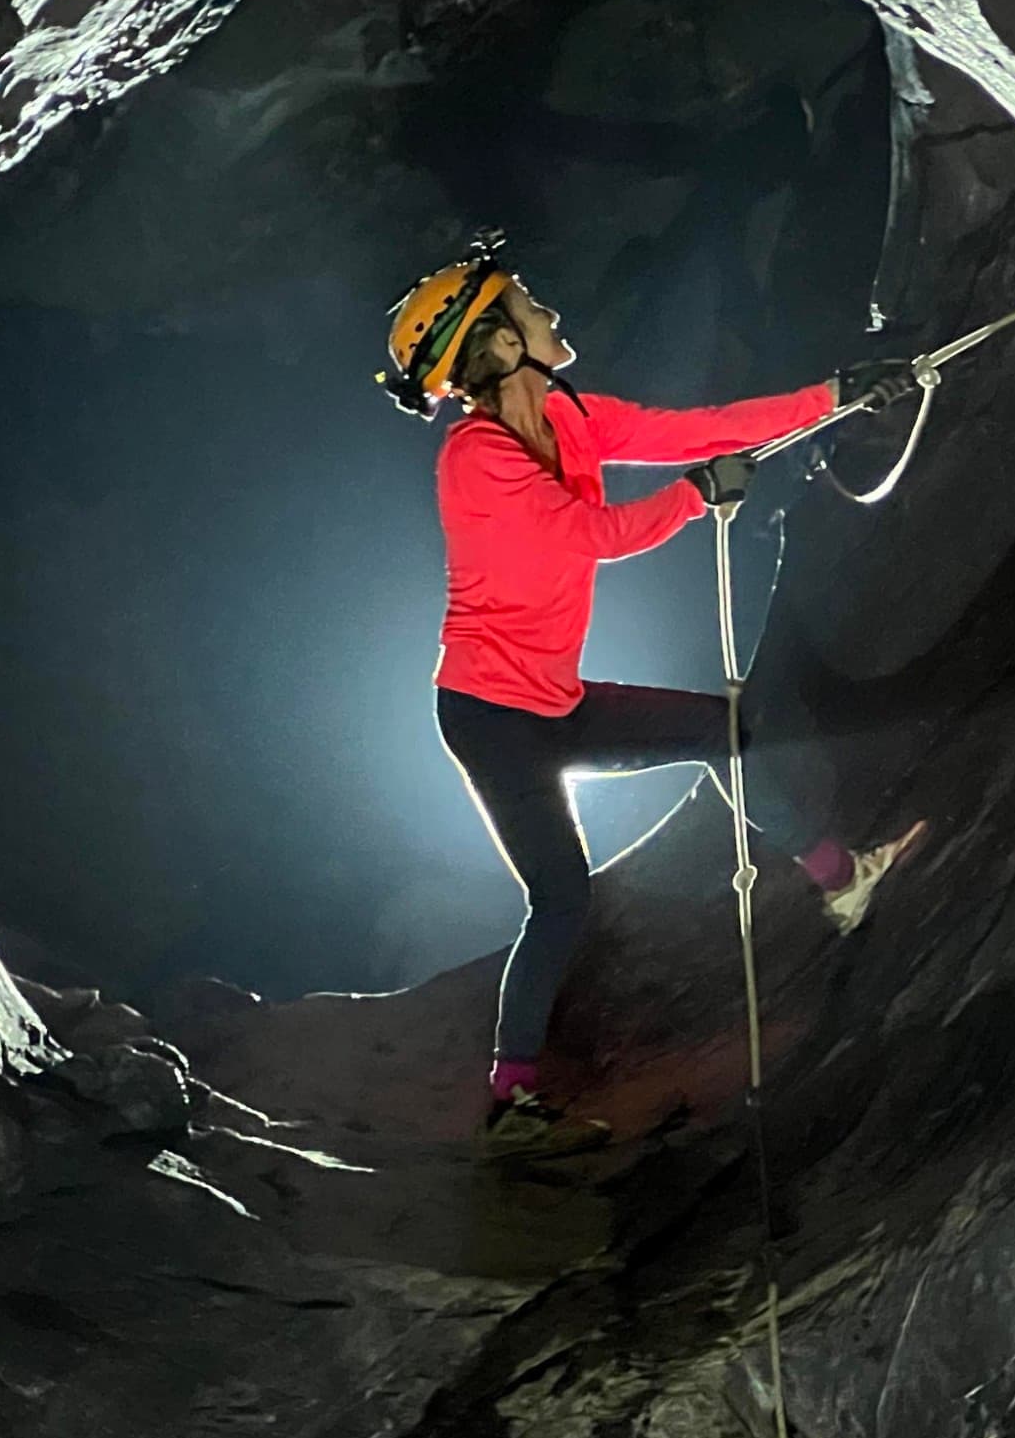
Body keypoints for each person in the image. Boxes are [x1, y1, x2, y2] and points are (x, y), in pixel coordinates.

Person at [381, 238, 930, 1157]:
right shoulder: (475, 459)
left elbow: (698, 430)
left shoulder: (571, 415)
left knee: (719, 731)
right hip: (491, 720)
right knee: (561, 898)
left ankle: (840, 880)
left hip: (555, 701)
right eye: (528, 306)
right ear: (502, 345)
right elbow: (589, 535)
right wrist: (692, 499)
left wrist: (838, 395)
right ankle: (511, 1100)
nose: (548, 315)